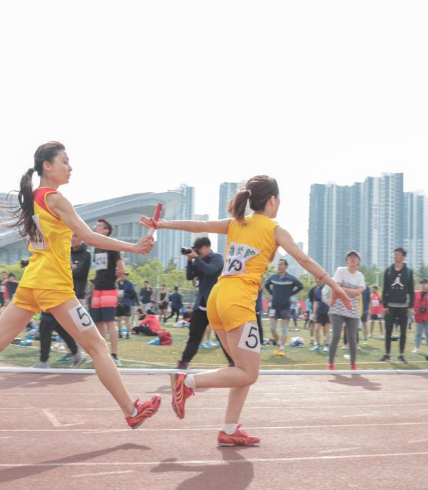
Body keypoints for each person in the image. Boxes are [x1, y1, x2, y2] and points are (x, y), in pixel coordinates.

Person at [0, 141, 160, 428]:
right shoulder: (56, 199)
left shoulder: (34, 197)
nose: (70, 167)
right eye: (65, 161)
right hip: (54, 285)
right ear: (47, 166)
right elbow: (87, 236)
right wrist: (133, 247)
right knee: (98, 347)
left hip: (33, 281)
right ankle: (131, 411)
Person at [141, 175, 350, 446]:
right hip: (238, 301)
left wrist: (163, 224)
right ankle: (187, 382)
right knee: (249, 373)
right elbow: (303, 258)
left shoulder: (236, 222)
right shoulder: (275, 230)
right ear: (272, 200)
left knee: (240, 369)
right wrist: (335, 286)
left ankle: (229, 429)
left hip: (218, 297)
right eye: (279, 199)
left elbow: (200, 225)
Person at [174, 237, 230, 370]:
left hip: (216, 304)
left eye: (199, 249)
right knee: (194, 335)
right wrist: (189, 260)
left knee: (221, 336)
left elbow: (209, 270)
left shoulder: (217, 258)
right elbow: (189, 276)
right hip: (201, 305)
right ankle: (184, 362)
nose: (198, 252)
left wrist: (196, 259)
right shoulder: (199, 260)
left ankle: (233, 362)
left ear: (207, 247)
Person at [90, 218, 124, 366]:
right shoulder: (97, 247)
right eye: (96, 225)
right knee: (98, 322)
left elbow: (121, 266)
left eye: (99, 226)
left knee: (110, 321)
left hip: (109, 288)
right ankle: (103, 354)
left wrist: (120, 273)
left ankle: (115, 355)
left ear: (106, 230)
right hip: (97, 287)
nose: (96, 227)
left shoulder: (112, 245)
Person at [325, 251, 366, 371]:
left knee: (352, 338)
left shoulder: (360, 276)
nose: (352, 259)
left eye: (355, 257)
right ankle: (331, 364)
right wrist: (347, 290)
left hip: (352, 309)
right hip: (337, 307)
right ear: (346, 260)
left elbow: (357, 292)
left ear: (358, 262)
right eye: (350, 257)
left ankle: (353, 365)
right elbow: (335, 287)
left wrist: (341, 288)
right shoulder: (340, 271)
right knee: (336, 336)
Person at [380, 247, 415, 364]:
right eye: (394, 254)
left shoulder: (408, 272)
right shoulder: (388, 271)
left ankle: (401, 355)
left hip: (403, 306)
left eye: (398, 254)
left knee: (403, 332)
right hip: (390, 306)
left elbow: (411, 290)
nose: (396, 256)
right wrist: (384, 305)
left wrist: (410, 306)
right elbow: (384, 289)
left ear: (403, 257)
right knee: (388, 331)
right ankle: (387, 354)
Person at [264, 259, 304, 356]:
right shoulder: (273, 277)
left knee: (284, 329)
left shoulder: (291, 278)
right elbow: (266, 285)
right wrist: (272, 293)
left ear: (286, 267)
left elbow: (300, 286)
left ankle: (281, 348)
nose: (279, 266)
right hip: (274, 307)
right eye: (278, 265)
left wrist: (291, 294)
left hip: (285, 307)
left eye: (281, 265)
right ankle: (279, 343)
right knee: (272, 328)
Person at [412, 278, 428, 353]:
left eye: (424, 283)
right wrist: (413, 313)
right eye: (422, 284)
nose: (423, 285)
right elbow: (412, 303)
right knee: (418, 333)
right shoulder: (416, 293)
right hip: (418, 316)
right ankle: (417, 348)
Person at [70, 233, 91, 303]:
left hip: (79, 294)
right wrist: (73, 268)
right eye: (71, 236)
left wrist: (68, 270)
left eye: (75, 236)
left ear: (81, 238)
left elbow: (81, 272)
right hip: (66, 293)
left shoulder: (86, 254)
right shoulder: (67, 253)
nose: (73, 239)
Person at [116, 272, 136, 339]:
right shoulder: (117, 283)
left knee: (127, 319)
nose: (123, 276)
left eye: (125, 275)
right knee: (119, 319)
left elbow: (133, 294)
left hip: (126, 303)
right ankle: (119, 333)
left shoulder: (129, 284)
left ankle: (128, 333)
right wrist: (117, 295)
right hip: (118, 303)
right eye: (122, 275)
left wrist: (124, 295)